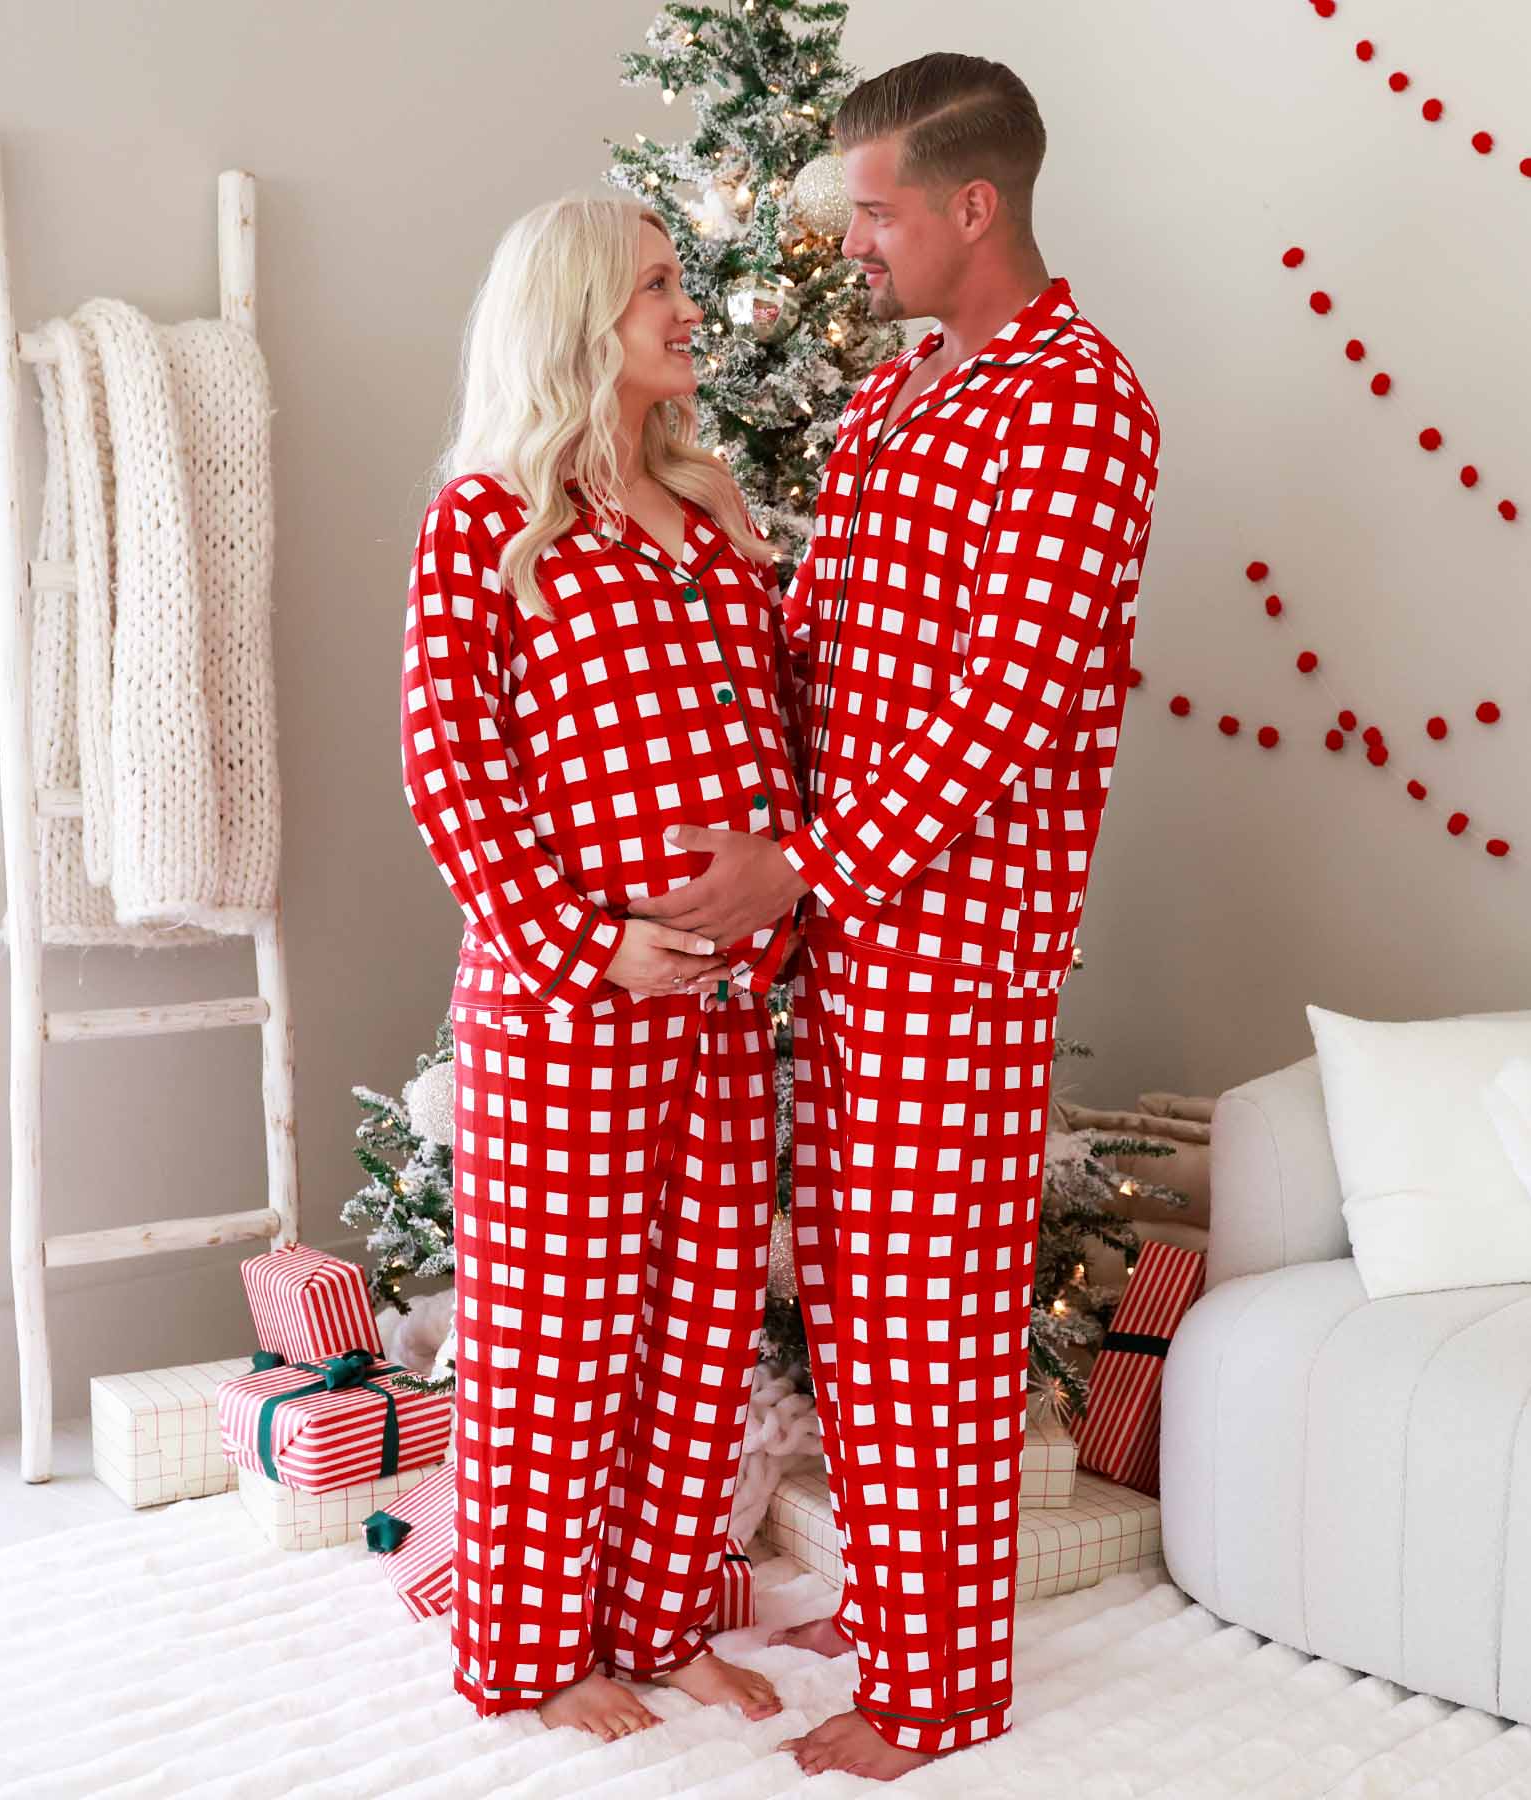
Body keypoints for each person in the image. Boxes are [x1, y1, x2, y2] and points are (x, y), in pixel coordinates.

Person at [627, 53, 1162, 1779]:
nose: (848, 243)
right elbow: (820, 660)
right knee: (864, 1309)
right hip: (852, 935)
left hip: (962, 946)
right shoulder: (895, 393)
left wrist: (799, 865)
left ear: (970, 205)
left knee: (930, 1318)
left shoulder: (1078, 403)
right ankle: (906, 1621)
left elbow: (1007, 707)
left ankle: (940, 1698)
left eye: (873, 211)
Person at [398, 194, 803, 1743]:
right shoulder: (488, 521)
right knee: (556, 1348)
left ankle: (665, 1619)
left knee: (700, 1336)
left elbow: (773, 747)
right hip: (565, 1012)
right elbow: (454, 779)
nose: (686, 308)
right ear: (575, 315)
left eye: (678, 280)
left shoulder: (712, 512)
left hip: (718, 1004)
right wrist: (589, 948)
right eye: (653, 286)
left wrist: (756, 926)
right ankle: (534, 1652)